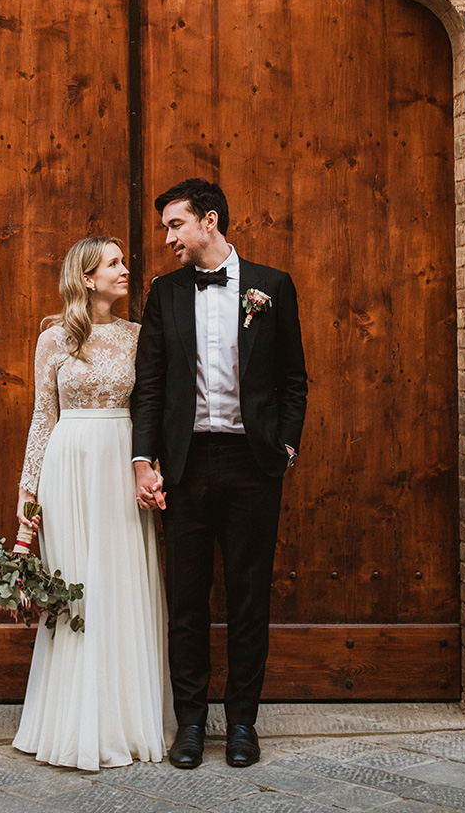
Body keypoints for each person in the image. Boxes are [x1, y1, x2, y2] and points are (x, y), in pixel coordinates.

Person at [132, 179, 307, 769]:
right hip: (185, 465)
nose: (168, 237)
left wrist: (284, 447)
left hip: (252, 464)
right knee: (186, 600)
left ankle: (241, 723)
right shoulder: (166, 293)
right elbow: (150, 385)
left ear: (209, 221)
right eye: (165, 228)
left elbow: (292, 382)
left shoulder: (272, 286)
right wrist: (143, 458)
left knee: (249, 595)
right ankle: (189, 723)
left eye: (175, 225)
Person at [12, 237, 172, 771]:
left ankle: (125, 720)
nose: (125, 271)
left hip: (121, 464)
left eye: (123, 262)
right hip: (70, 466)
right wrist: (28, 491)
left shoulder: (136, 336)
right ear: (86, 278)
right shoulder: (54, 338)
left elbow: (153, 407)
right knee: (77, 586)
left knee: (122, 583)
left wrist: (151, 467)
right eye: (113, 264)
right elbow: (43, 416)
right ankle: (73, 721)